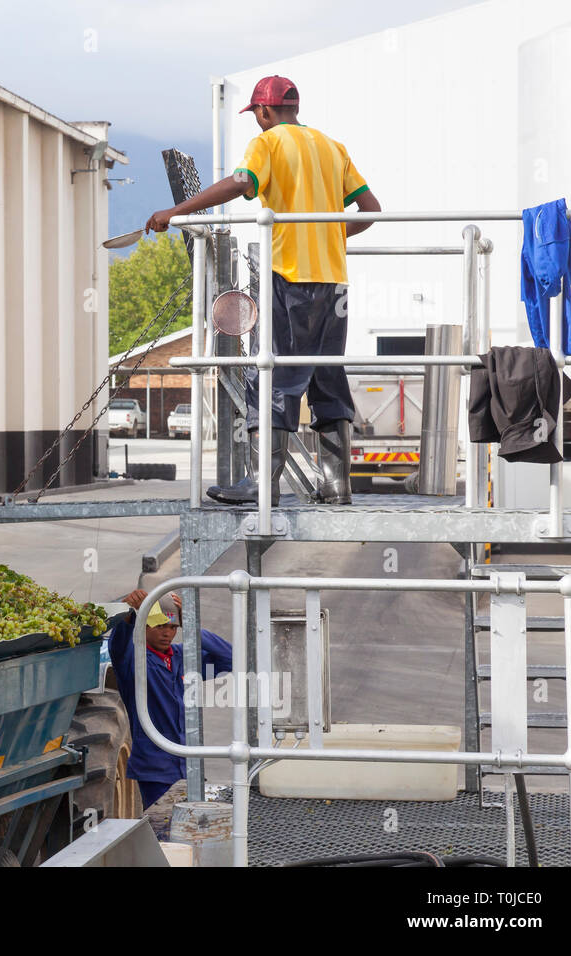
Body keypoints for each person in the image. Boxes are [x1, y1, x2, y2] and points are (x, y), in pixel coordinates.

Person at [146, 76, 381, 506]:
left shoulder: (268, 143)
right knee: (325, 375)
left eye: (256, 115)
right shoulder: (333, 147)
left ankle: (262, 485)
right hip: (333, 282)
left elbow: (241, 183)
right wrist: (328, 236)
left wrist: (175, 212)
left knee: (271, 374)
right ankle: (336, 485)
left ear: (265, 111)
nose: (258, 122)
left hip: (288, 277)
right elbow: (371, 210)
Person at [107, 587, 232, 809]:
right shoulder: (133, 660)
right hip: (156, 770)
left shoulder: (182, 658)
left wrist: (191, 625)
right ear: (144, 626)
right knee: (164, 833)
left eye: (173, 626)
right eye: (160, 626)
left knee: (191, 833)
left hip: (190, 765)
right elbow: (118, 642)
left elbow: (230, 659)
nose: (167, 633)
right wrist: (128, 613)